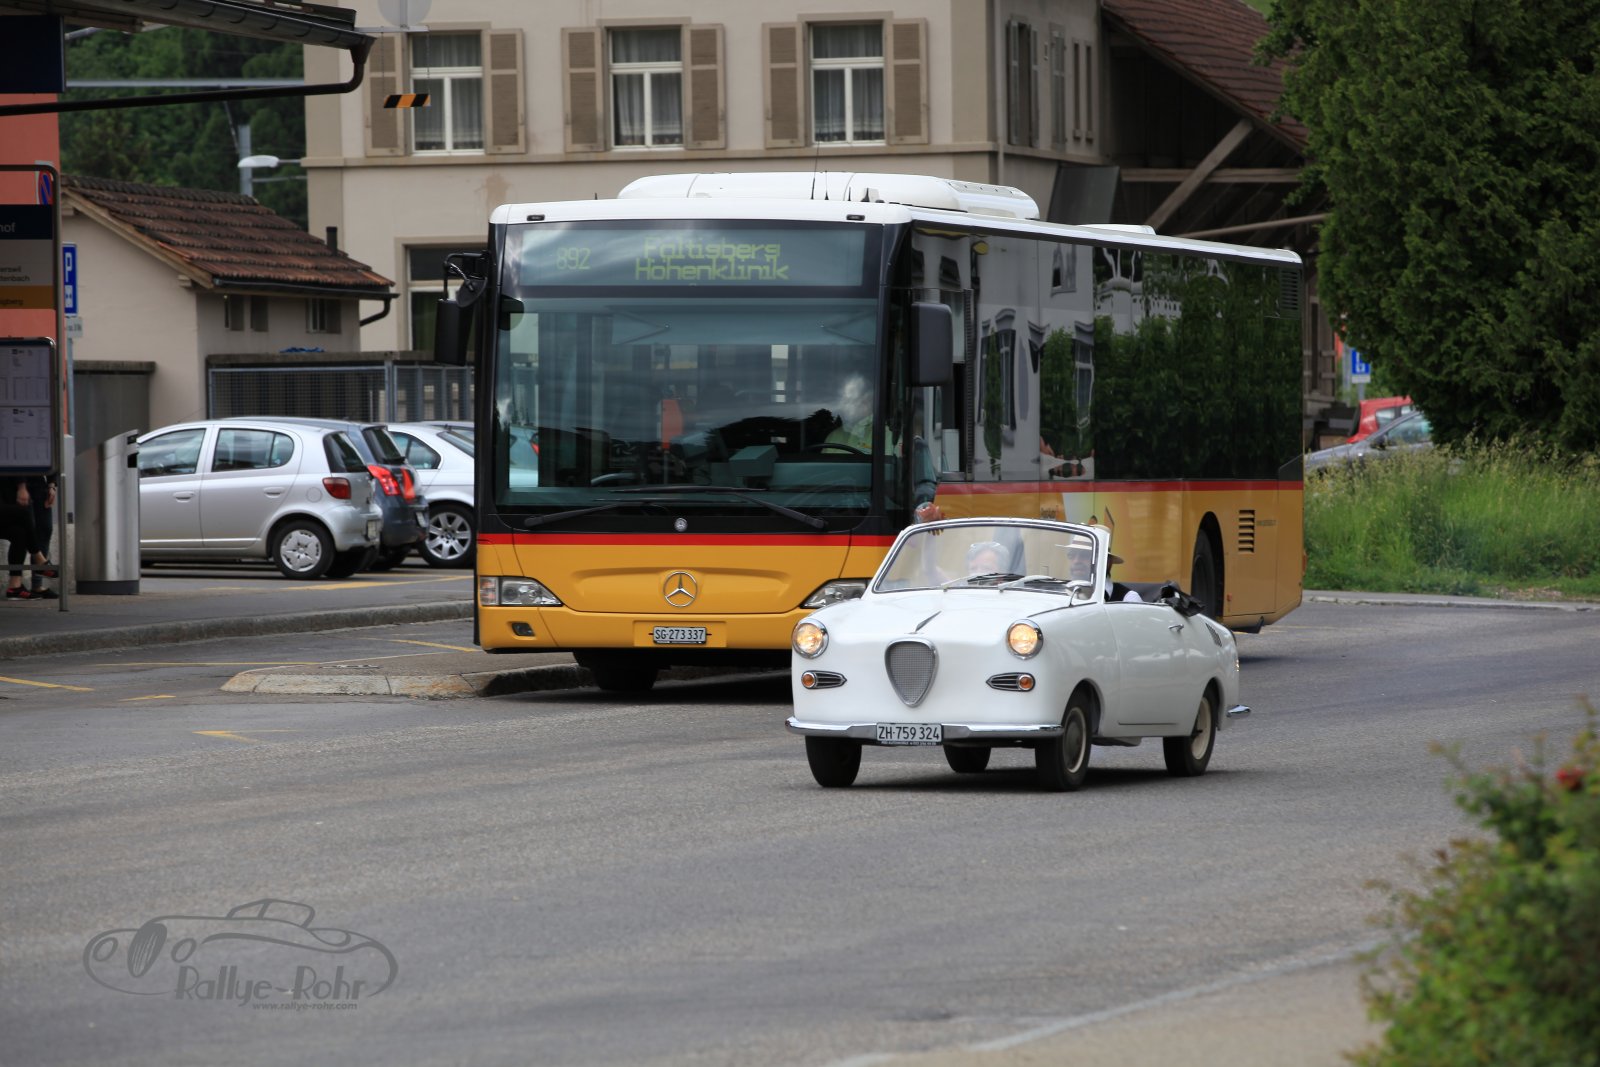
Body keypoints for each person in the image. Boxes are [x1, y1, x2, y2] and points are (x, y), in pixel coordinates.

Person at [1, 476, 56, 600]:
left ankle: (19, 587)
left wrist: (52, 484)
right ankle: (39, 562)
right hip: (15, 482)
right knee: (24, 523)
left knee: (38, 530)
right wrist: (21, 486)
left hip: (37, 481)